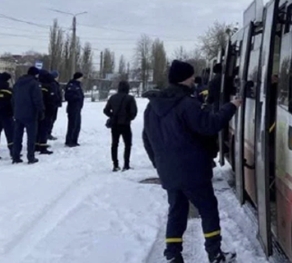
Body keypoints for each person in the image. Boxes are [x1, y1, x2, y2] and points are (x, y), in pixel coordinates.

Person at [143, 60, 241, 263]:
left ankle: (172, 254)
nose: (193, 81)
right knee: (208, 209)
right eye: (190, 77)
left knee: (177, 211)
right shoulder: (187, 105)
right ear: (184, 79)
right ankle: (215, 253)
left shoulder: (152, 108)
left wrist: (159, 163)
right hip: (194, 170)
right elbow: (209, 125)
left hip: (168, 171)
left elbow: (147, 139)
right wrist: (231, 106)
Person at [103, 80, 138, 172]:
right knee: (128, 144)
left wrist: (112, 116)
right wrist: (128, 118)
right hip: (125, 124)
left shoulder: (113, 98)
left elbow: (106, 110)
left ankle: (115, 165)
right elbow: (133, 112)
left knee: (114, 144)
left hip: (115, 124)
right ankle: (126, 164)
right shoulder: (130, 98)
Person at [12, 67, 44, 164]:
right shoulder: (34, 84)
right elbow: (37, 100)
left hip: (18, 113)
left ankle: (15, 156)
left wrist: (14, 110)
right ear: (35, 74)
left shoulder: (17, 83)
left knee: (17, 136)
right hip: (30, 114)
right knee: (31, 137)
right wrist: (41, 111)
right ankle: (31, 157)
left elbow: (12, 98)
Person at [0, 72, 14, 159]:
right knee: (10, 135)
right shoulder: (9, 91)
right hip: (6, 116)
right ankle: (13, 152)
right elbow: (13, 103)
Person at [35, 70, 56, 155]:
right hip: (46, 110)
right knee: (44, 128)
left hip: (38, 110)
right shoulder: (49, 86)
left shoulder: (37, 85)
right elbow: (51, 99)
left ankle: (36, 144)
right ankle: (43, 146)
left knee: (38, 128)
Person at [64, 72, 84, 147]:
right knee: (72, 124)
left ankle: (74, 140)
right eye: (81, 77)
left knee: (77, 125)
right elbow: (68, 96)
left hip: (77, 108)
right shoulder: (72, 85)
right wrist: (77, 98)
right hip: (72, 108)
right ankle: (69, 140)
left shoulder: (78, 85)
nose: (82, 79)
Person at [49, 70, 63, 140]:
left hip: (54, 104)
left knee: (52, 119)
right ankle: (48, 133)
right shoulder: (53, 84)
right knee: (51, 119)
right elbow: (54, 94)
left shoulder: (55, 84)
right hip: (53, 105)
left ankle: (48, 132)